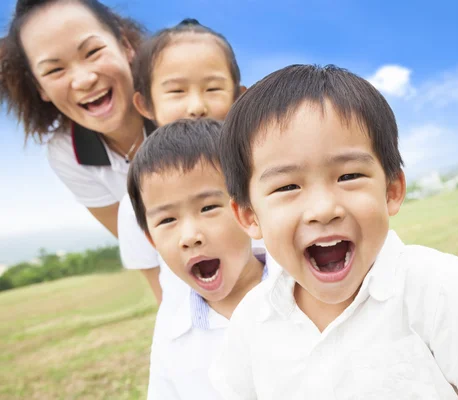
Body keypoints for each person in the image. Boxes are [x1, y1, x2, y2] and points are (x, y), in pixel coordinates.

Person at [210, 64, 458, 399]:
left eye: (349, 176)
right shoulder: (250, 323)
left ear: (392, 190)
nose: (324, 209)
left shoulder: (439, 288)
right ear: (250, 216)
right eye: (288, 186)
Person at [0, 0, 164, 296]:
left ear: (125, 46)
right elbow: (152, 251)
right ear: (40, 88)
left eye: (92, 52)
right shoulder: (67, 154)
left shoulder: (183, 106)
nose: (84, 79)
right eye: (54, 70)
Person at [127, 118, 274, 399]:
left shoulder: (305, 290)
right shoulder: (172, 333)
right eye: (167, 219)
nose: (190, 236)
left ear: (249, 209)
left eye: (208, 208)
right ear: (151, 240)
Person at [118, 18, 245, 308]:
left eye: (213, 89)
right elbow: (165, 300)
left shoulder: (264, 174)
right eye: (176, 92)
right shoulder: (135, 204)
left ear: (238, 97)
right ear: (145, 105)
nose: (196, 107)